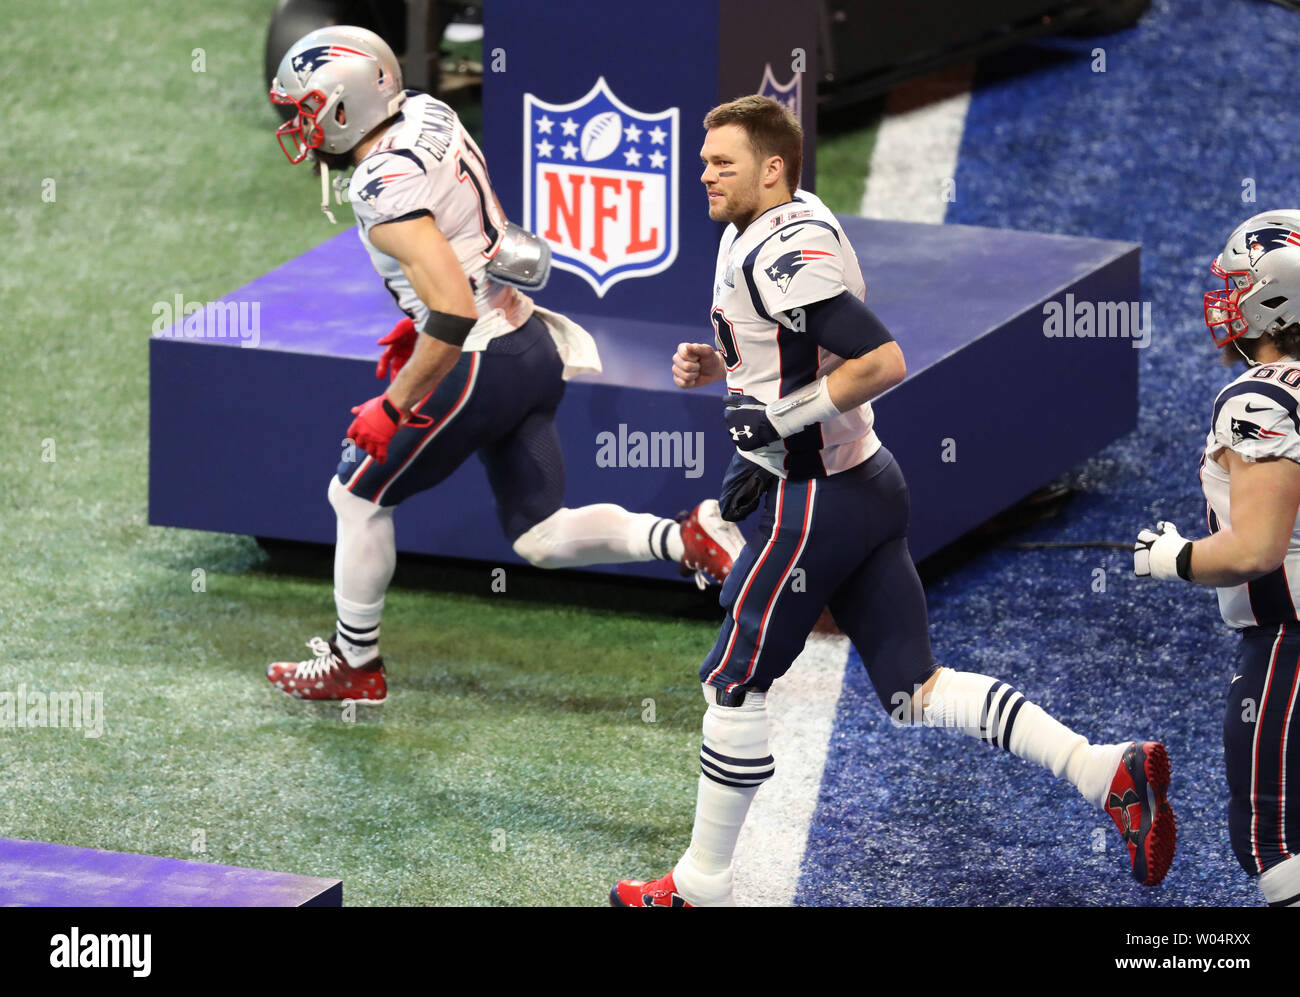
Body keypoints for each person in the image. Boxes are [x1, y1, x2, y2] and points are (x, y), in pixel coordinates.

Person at [610, 96, 1175, 906]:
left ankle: (698, 887)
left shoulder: (780, 249)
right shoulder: (782, 220)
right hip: (868, 480)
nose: (703, 173)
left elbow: (882, 359)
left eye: (720, 162)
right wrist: (725, 366)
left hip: (812, 500)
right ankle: (1102, 768)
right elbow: (799, 343)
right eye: (704, 161)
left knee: (733, 685)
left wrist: (775, 413)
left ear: (771, 168)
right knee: (914, 689)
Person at [262, 26, 743, 704]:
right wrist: (424, 317)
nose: (300, 127)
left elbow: (452, 310)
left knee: (356, 494)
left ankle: (355, 663)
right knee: (541, 536)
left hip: (477, 357)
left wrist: (395, 403)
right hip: (527, 342)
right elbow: (462, 249)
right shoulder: (429, 111)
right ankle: (686, 537)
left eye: (307, 110)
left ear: (345, 109)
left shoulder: (379, 184)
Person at [1134, 209, 1300, 909]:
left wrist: (1175, 558)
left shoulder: (1257, 399)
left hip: (1290, 644)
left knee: (1274, 839)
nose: (1225, 300)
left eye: (1237, 285)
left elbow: (1257, 548)